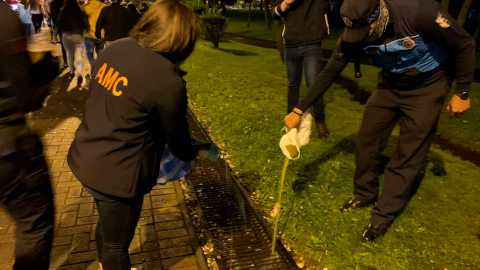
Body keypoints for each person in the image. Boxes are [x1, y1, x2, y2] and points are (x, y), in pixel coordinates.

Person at [285, 0, 474, 241]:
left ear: (380, 14)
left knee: (408, 154)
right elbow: (330, 71)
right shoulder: (354, 34)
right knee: (366, 141)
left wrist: (463, 91)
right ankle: (365, 194)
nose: (361, 37)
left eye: (367, 30)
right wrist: (299, 109)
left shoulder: (419, 12)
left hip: (428, 86)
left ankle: (383, 216)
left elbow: (465, 45)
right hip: (390, 85)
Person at [67, 0, 202, 269]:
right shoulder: (167, 80)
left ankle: (102, 262)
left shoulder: (117, 48)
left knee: (108, 226)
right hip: (118, 175)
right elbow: (179, 143)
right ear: (182, 41)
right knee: (117, 245)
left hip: (85, 157)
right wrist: (199, 150)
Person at [0, 2, 57, 269]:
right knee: (33, 223)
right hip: (9, 147)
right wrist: (45, 75)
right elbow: (25, 97)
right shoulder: (3, 18)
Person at [274, 0, 331, 138]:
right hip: (291, 44)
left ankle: (320, 122)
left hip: (312, 43)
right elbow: (275, 13)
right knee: (293, 83)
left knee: (313, 84)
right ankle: (291, 120)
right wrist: (286, 2)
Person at [56, 0, 89, 82]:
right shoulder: (80, 11)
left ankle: (72, 71)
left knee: (69, 54)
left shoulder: (62, 11)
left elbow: (58, 23)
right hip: (78, 36)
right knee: (79, 56)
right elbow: (86, 24)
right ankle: (80, 74)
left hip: (66, 36)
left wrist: (55, 35)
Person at [81, 0, 106, 66]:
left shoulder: (84, 7)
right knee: (100, 53)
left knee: (90, 53)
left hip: (89, 34)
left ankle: (94, 67)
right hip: (101, 34)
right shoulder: (104, 7)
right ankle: (100, 68)